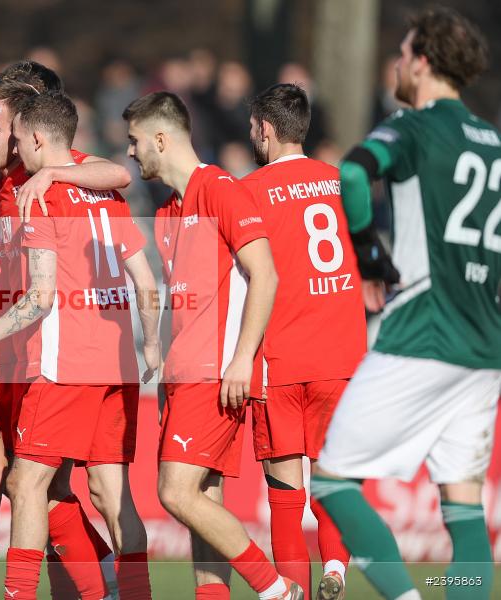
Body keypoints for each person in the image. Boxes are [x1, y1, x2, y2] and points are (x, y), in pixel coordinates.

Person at [310, 8, 500, 600]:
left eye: (402, 51)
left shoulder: (414, 127)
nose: (394, 60)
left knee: (330, 481)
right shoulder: (495, 142)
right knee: (464, 508)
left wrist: (370, 259)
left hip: (421, 334)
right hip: (484, 347)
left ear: (421, 62)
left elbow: (353, 174)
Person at [0, 65, 130, 600]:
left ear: (26, 132)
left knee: (50, 488)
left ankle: (106, 584)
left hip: (38, 351)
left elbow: (119, 173)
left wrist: (55, 174)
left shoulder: (39, 179)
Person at [124, 91, 300, 600]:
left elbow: (265, 274)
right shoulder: (169, 212)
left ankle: (277, 591)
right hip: (186, 377)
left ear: (162, 137)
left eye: (135, 141)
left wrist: (242, 358)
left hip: (216, 373)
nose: (131, 153)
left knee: (175, 493)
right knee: (203, 501)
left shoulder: (220, 186)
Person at [241, 83, 366, 600]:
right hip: (342, 357)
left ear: (266, 130)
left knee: (286, 495)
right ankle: (335, 569)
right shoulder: (338, 182)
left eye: (253, 127)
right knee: (335, 483)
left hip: (283, 357)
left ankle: (292, 590)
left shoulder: (248, 191)